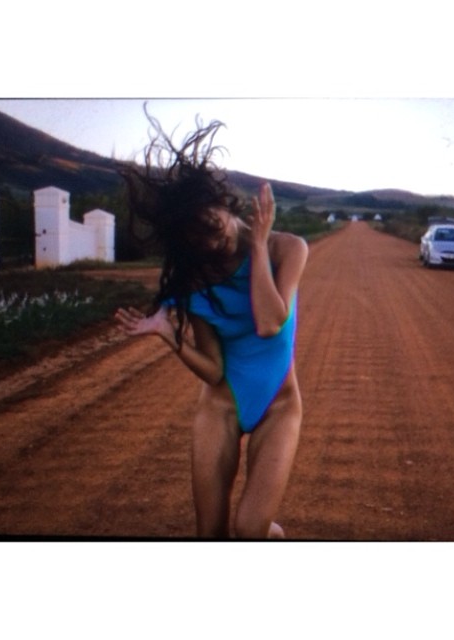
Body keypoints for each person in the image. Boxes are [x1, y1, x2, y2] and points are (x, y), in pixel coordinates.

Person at [115, 111, 308, 539]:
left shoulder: (287, 249)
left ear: (222, 201)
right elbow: (214, 370)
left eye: (210, 226)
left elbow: (270, 323)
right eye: (196, 240)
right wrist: (168, 336)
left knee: (252, 529)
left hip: (279, 406)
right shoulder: (197, 279)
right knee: (211, 536)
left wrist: (258, 246)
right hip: (220, 407)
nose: (210, 241)